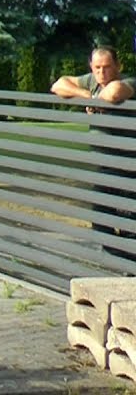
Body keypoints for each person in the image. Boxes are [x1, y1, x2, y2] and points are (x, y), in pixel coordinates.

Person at [51, 46, 136, 262]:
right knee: (101, 219)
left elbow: (115, 92)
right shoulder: (91, 82)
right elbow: (58, 85)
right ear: (91, 67)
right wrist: (86, 96)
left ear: (118, 66)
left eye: (107, 67)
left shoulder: (129, 81)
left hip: (129, 165)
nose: (101, 73)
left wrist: (96, 100)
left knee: (129, 221)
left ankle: (129, 267)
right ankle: (123, 262)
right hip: (105, 165)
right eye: (97, 68)